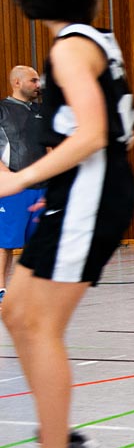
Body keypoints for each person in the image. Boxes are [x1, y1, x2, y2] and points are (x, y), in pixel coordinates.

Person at [0, 0, 134, 448]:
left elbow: (94, 133)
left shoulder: (67, 49)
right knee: (17, 313)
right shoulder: (96, 40)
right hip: (85, 195)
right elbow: (124, 131)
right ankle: (60, 433)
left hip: (88, 198)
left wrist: (19, 180)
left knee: (36, 323)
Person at [0, 66, 47, 304]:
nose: (38, 84)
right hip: (13, 187)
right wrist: (5, 174)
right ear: (17, 83)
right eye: (33, 80)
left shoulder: (42, 111)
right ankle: (1, 290)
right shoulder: (2, 109)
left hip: (42, 186)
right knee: (5, 242)